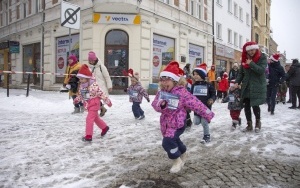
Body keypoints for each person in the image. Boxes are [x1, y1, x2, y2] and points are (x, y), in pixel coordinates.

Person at [151, 61, 214, 173]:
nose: (164, 83)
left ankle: (176, 160)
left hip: (178, 124)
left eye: (167, 80)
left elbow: (196, 104)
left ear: (175, 80)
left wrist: (208, 114)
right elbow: (155, 105)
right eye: (162, 80)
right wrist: (161, 105)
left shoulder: (182, 93)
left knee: (167, 142)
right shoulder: (161, 92)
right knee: (175, 140)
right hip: (165, 124)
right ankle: (184, 153)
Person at [234, 41, 267, 133]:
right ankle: (249, 124)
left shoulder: (262, 57)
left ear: (256, 49)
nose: (251, 52)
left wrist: (251, 63)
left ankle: (257, 123)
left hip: (257, 85)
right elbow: (241, 73)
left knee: (255, 105)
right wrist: (237, 82)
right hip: (247, 86)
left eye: (252, 50)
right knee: (246, 105)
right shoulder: (245, 59)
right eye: (249, 51)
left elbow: (261, 70)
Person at [74, 64, 112, 142]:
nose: (80, 81)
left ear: (87, 78)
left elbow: (102, 94)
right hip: (88, 104)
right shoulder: (82, 86)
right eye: (80, 79)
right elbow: (82, 95)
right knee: (95, 118)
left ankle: (88, 136)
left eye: (82, 79)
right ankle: (104, 127)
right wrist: (77, 99)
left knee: (89, 119)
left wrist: (108, 102)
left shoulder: (94, 86)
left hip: (94, 104)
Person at [191, 63, 216, 143]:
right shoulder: (194, 85)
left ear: (202, 75)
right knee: (196, 122)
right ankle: (206, 120)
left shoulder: (208, 85)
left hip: (206, 107)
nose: (195, 76)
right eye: (194, 74)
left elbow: (213, 94)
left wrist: (212, 99)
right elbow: (190, 96)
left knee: (204, 122)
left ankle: (206, 136)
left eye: (197, 74)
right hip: (197, 108)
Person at [87, 51, 113, 117]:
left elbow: (107, 77)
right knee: (94, 100)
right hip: (93, 87)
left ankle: (101, 109)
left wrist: (109, 86)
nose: (91, 62)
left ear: (95, 59)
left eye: (92, 60)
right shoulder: (90, 68)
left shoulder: (101, 67)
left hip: (101, 87)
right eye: (90, 60)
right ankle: (102, 109)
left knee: (98, 99)